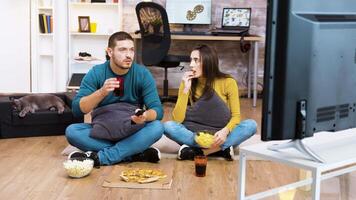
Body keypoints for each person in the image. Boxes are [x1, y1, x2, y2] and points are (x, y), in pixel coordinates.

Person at [66, 31, 164, 167]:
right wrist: (101, 92)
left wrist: (145, 116)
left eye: (131, 50)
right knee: (72, 132)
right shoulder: (96, 73)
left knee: (157, 127)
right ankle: (132, 152)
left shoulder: (142, 74)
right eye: (122, 50)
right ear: (110, 52)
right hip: (103, 129)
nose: (129, 55)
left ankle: (103, 157)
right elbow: (77, 109)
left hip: (132, 128)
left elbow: (158, 110)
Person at [164, 44, 257, 161]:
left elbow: (236, 116)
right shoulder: (188, 82)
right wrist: (185, 90)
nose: (191, 64)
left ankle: (199, 151)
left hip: (221, 134)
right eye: (191, 60)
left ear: (208, 62)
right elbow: (177, 119)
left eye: (196, 60)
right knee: (168, 126)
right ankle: (221, 149)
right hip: (197, 134)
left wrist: (225, 131)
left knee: (251, 125)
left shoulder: (228, 82)